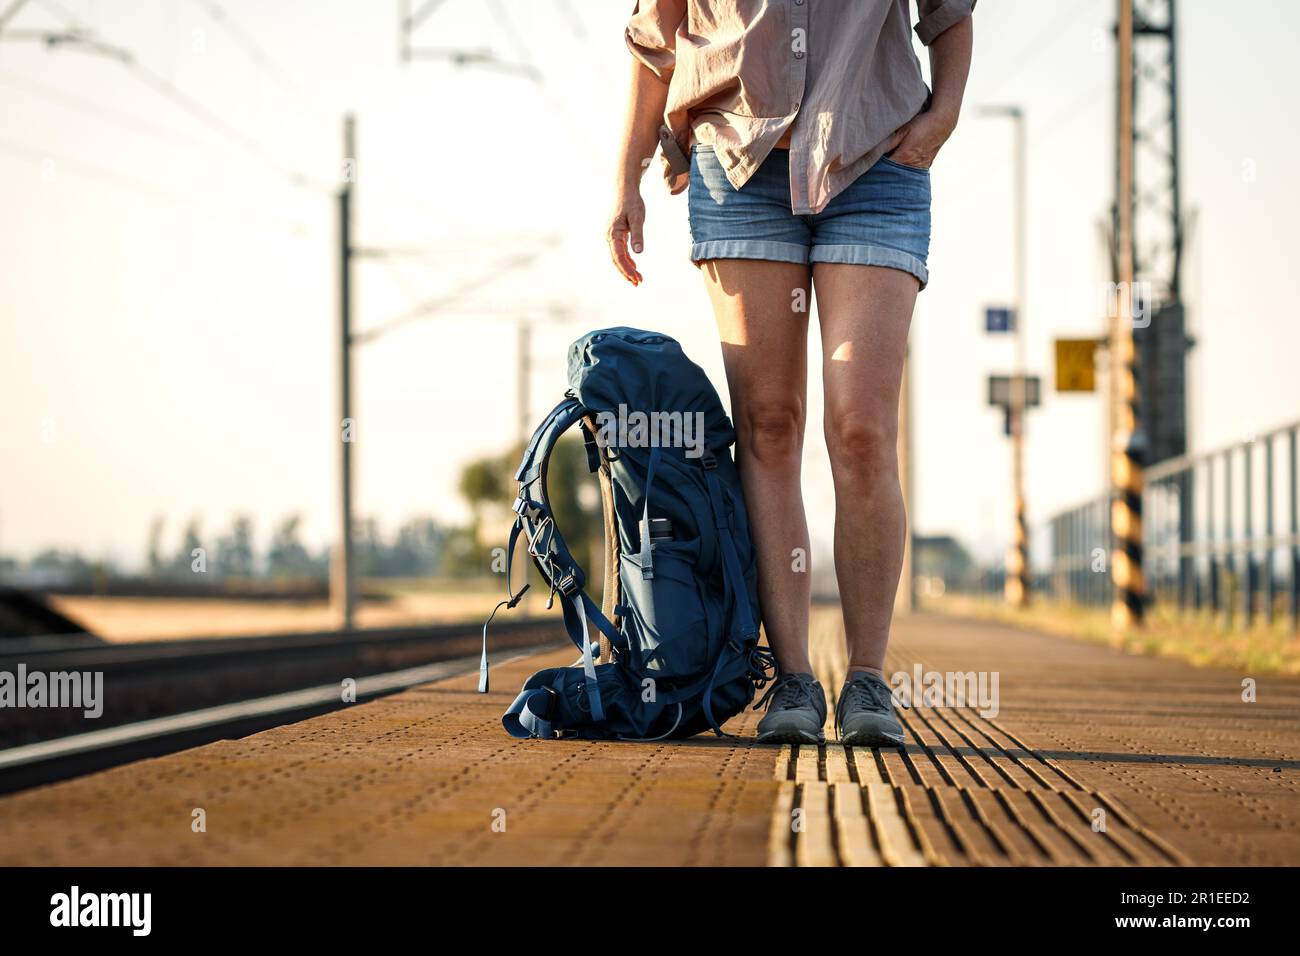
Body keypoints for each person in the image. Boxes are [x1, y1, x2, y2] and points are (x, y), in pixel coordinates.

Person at [608, 1, 975, 745]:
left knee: (862, 428)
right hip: (738, 164)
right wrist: (627, 177)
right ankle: (796, 679)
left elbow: (950, 12)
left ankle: (868, 681)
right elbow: (656, 40)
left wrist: (944, 117)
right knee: (770, 426)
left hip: (875, 157)